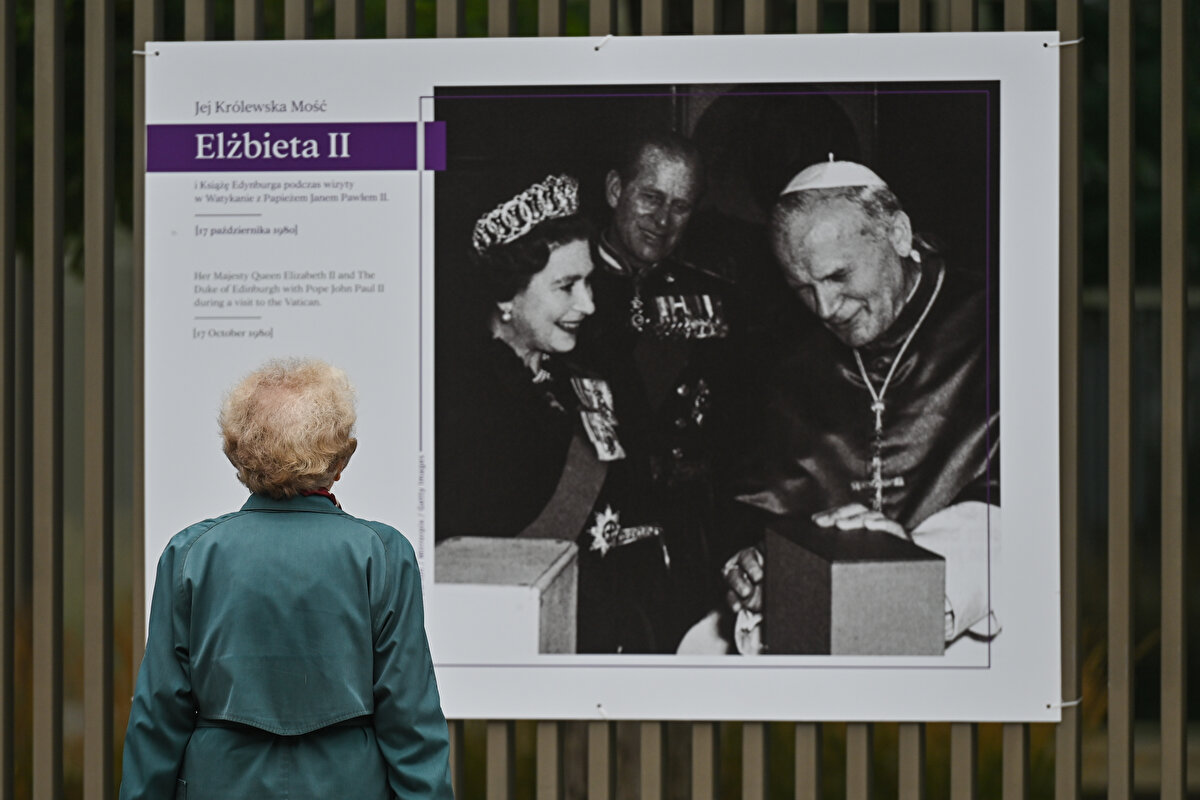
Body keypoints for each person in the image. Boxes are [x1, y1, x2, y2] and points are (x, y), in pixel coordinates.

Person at [119, 359, 452, 799]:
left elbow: (159, 714)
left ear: (235, 454)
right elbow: (411, 718)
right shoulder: (383, 553)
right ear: (343, 456)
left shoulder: (189, 555)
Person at [723, 158, 1000, 651]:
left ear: (896, 233)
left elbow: (1031, 505)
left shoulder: (999, 323)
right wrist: (757, 562)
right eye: (803, 289)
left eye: (838, 275)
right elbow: (758, 505)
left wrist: (906, 561)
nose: (826, 309)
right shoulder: (787, 362)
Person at [435, 174, 674, 654]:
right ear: (506, 296)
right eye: (566, 286)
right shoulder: (456, 402)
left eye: (588, 282)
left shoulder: (588, 372)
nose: (587, 304)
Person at [576, 131, 743, 644]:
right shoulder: (567, 285)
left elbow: (736, 426)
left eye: (681, 206)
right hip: (596, 524)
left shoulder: (712, 295)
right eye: (651, 197)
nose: (663, 220)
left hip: (693, 530)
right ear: (614, 190)